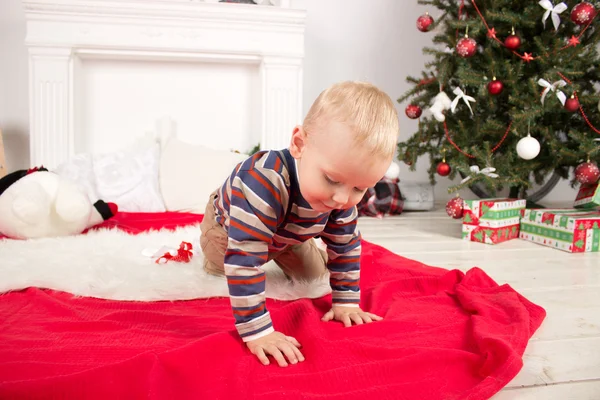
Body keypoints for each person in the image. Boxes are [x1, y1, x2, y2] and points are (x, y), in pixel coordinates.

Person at [200, 81, 400, 367]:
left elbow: (345, 246)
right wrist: (257, 332)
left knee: (313, 276)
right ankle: (212, 252)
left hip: (288, 234)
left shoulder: (341, 197)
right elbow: (244, 258)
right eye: (332, 179)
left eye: (360, 188)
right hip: (229, 227)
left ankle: (282, 247)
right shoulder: (262, 180)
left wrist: (346, 302)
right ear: (299, 144)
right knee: (224, 263)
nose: (341, 197)